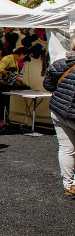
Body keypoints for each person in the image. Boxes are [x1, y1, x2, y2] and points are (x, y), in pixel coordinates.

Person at [43, 41, 75, 197]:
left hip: (59, 111)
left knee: (66, 149)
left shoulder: (60, 64)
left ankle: (68, 185)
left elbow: (48, 86)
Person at [0, 47, 30, 129]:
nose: (23, 58)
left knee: (4, 102)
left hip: (6, 84)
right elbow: (1, 69)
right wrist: (12, 75)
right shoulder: (7, 59)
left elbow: (14, 73)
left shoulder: (15, 61)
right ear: (21, 54)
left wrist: (20, 80)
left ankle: (2, 120)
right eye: (24, 56)